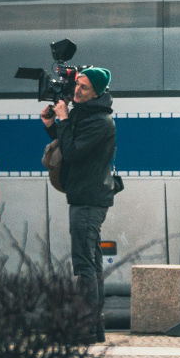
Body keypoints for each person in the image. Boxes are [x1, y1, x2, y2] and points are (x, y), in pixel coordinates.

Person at [41, 65, 118, 343]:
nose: (76, 90)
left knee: (84, 264)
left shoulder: (100, 121)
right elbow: (68, 143)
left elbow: (72, 153)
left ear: (97, 92)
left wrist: (62, 121)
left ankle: (85, 328)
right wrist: (53, 127)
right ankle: (94, 328)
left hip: (88, 198)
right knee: (92, 263)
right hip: (83, 195)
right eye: (77, 85)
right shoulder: (86, 115)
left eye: (83, 87)